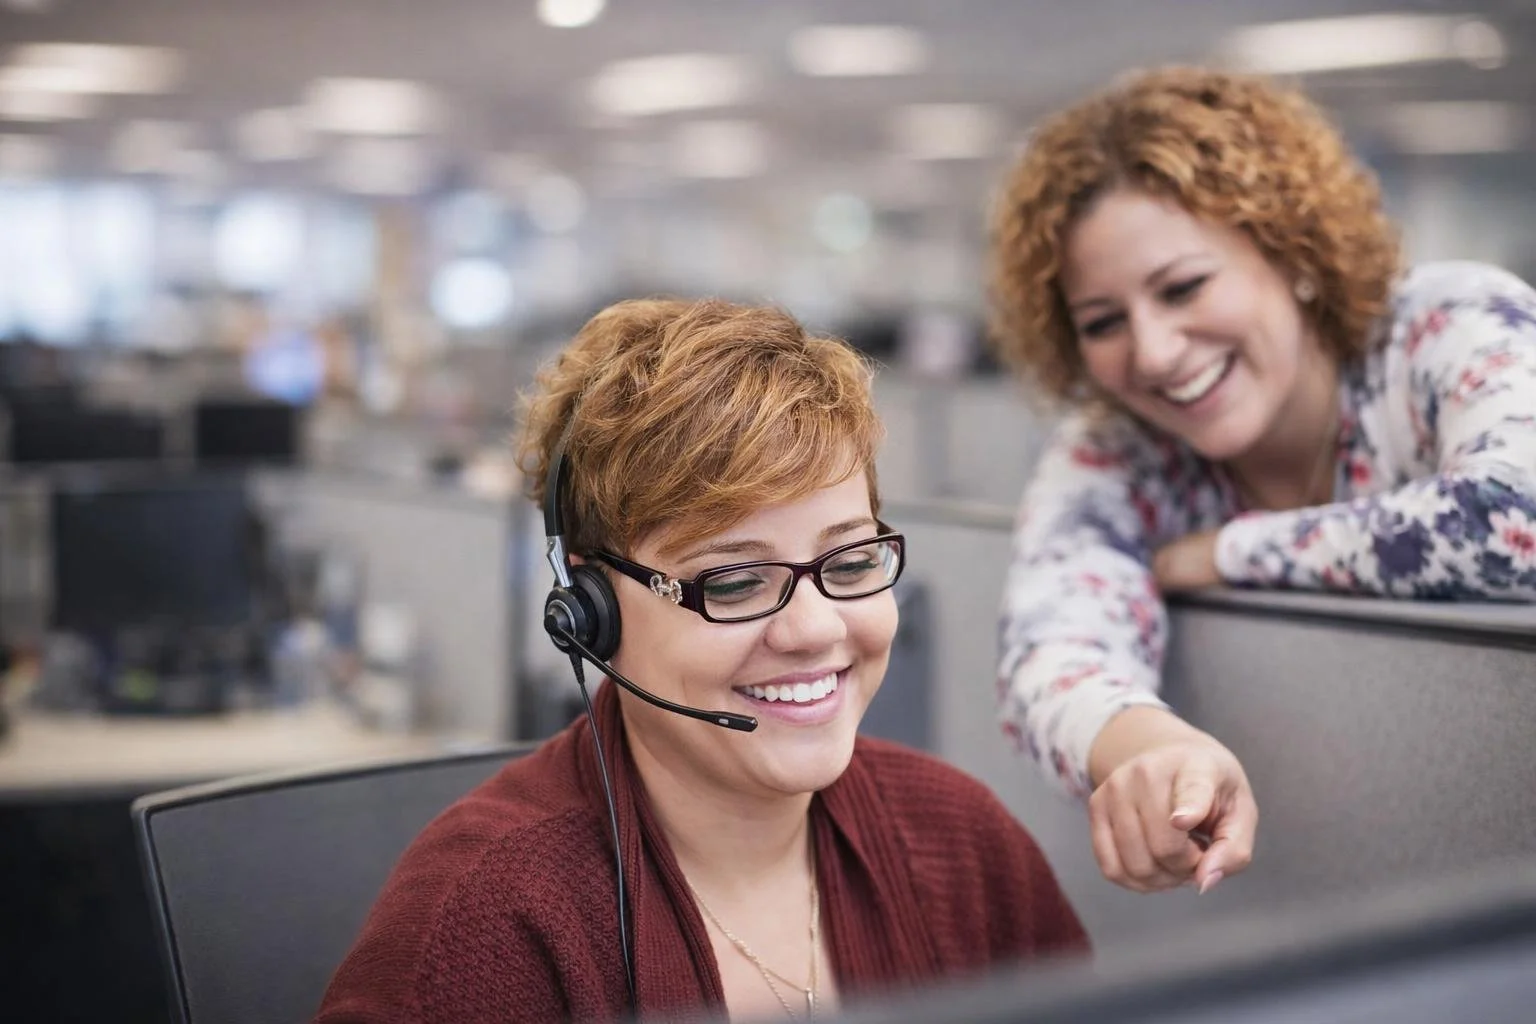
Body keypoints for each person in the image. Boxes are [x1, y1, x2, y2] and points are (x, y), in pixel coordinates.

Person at [314, 298, 1088, 1024]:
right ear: (595, 609)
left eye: (850, 563)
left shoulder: (962, 842)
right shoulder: (486, 925)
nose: (815, 629)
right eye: (737, 581)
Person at [987, 66, 1536, 897]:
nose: (1155, 352)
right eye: (1103, 322)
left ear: (1291, 248)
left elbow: (1516, 518)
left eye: (1184, 287)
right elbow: (1052, 639)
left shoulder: (1445, 324)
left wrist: (1230, 552)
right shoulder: (1118, 445)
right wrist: (1148, 749)